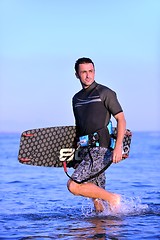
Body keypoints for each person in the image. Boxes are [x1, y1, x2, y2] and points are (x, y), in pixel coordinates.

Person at [67, 57, 126, 212]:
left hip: (102, 149)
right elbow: (79, 128)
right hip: (86, 150)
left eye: (91, 71)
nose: (88, 75)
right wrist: (75, 157)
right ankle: (108, 223)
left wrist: (118, 147)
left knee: (73, 185)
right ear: (77, 75)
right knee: (98, 203)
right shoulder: (76, 99)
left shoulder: (105, 93)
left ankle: (114, 198)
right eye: (84, 72)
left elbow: (121, 119)